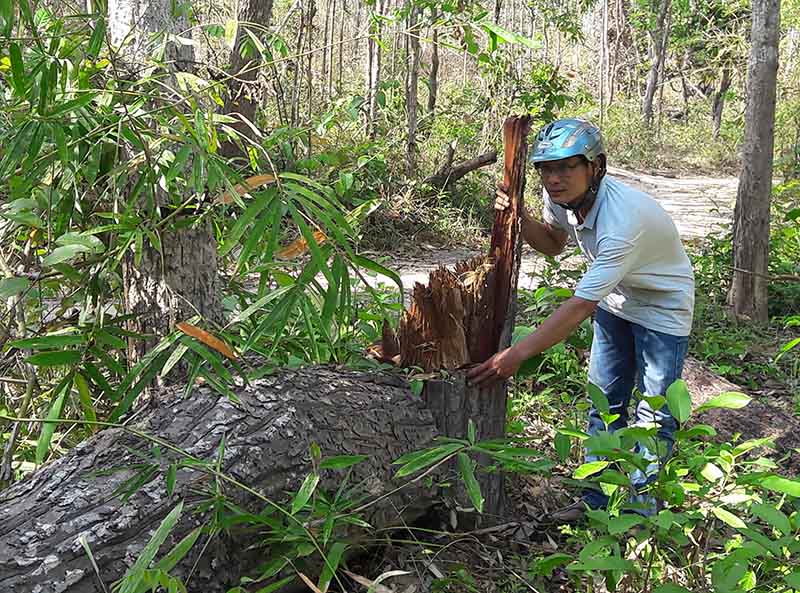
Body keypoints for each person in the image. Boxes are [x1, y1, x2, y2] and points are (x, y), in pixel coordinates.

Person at [467, 118, 694, 521]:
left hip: (662, 307)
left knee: (655, 414)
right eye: (547, 169)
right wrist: (518, 217)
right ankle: (596, 503)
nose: (555, 179)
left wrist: (516, 354)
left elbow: (578, 307)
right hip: (616, 300)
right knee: (604, 402)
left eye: (567, 167)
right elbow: (554, 243)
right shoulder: (560, 196)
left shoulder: (622, 221)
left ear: (596, 166)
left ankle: (644, 517)